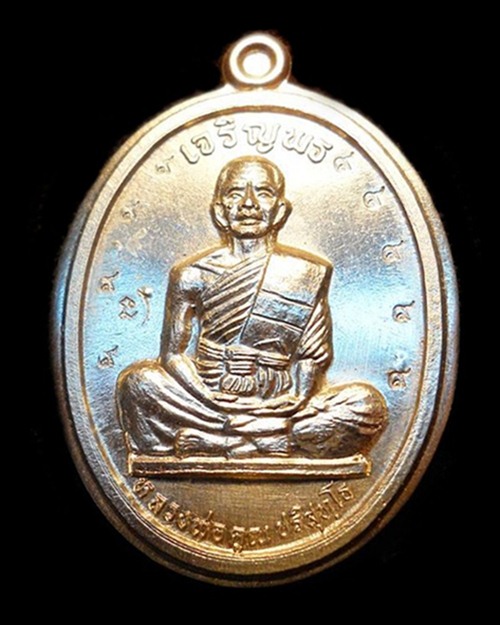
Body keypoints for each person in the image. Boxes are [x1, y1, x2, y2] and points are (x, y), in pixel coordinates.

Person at [117, 155, 387, 459]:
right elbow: (174, 354)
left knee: (366, 404)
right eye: (235, 193)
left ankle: (224, 443)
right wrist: (209, 397)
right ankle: (271, 439)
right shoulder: (191, 274)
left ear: (280, 210)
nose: (248, 204)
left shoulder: (307, 273)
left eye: (264, 193)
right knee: (137, 383)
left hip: (279, 403)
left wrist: (298, 398)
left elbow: (311, 355)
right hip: (207, 401)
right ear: (219, 211)